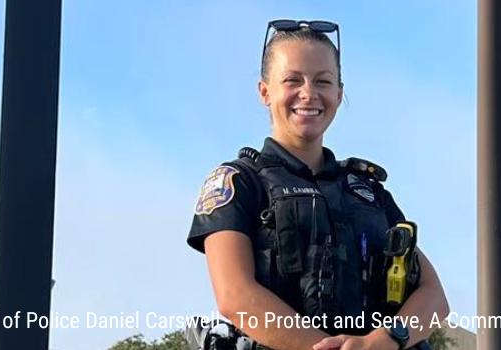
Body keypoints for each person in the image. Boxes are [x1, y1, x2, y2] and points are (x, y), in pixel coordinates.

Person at [186, 19, 450, 350]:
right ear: (265, 91)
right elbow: (235, 296)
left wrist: (385, 341)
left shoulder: (368, 191)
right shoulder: (238, 182)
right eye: (292, 80)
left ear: (339, 94)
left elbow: (435, 298)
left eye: (322, 81)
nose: (308, 93)